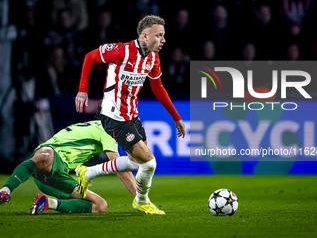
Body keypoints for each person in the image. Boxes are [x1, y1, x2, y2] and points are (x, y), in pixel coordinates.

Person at [75, 15, 186, 215]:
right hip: (113, 115)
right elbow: (90, 57)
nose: (163, 40)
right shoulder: (120, 51)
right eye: (159, 35)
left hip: (132, 116)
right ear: (144, 35)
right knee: (149, 161)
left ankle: (88, 172)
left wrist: (176, 117)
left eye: (163, 36)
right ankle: (141, 201)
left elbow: (158, 87)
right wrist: (83, 89)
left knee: (136, 162)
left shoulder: (153, 57)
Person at [0, 120, 139, 214]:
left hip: (56, 178)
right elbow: (120, 169)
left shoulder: (94, 125)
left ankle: (48, 203)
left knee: (100, 206)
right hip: (52, 154)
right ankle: (5, 190)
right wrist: (141, 199)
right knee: (44, 156)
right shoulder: (107, 132)